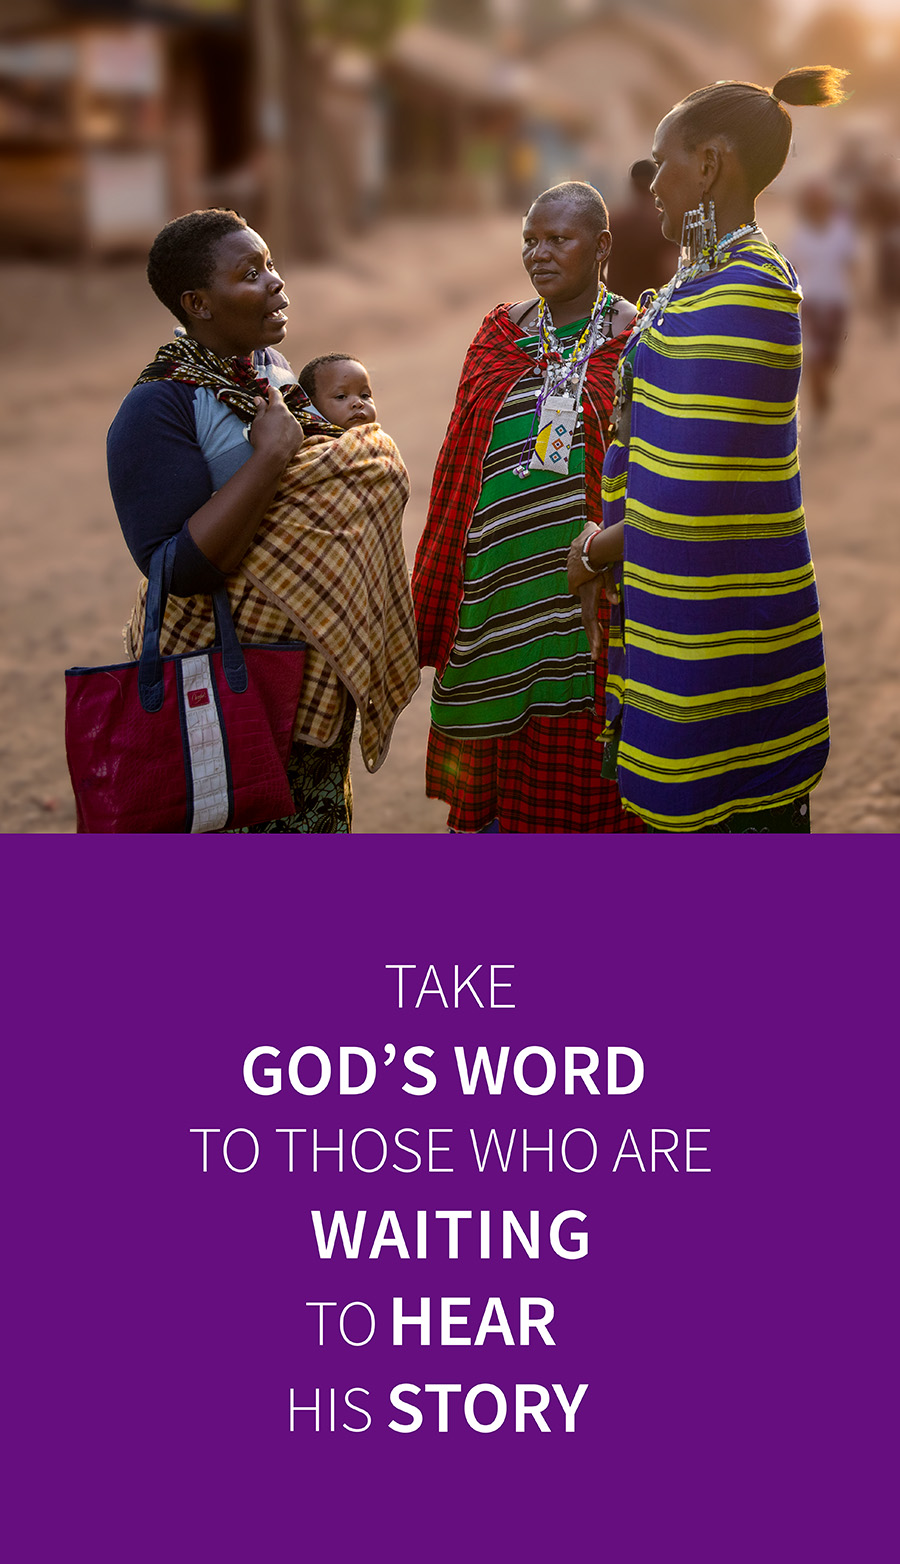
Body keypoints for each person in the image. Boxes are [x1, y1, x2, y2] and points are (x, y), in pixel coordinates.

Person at [568, 68, 846, 833]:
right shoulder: (702, 280)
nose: (652, 181)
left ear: (712, 164)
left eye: (663, 161)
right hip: (688, 617)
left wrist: (595, 551)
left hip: (726, 635)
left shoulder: (749, 289)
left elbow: (688, 492)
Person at [107, 208, 418, 833]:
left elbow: (331, 480)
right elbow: (177, 567)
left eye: (271, 265)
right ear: (197, 302)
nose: (276, 282)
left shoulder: (272, 374)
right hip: (228, 691)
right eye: (252, 273)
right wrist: (271, 455)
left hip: (309, 687)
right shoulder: (158, 405)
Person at [411, 181, 645, 833]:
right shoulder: (497, 336)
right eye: (530, 240)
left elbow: (653, 476)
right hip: (497, 597)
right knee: (494, 788)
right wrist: (431, 602)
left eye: (558, 240)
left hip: (590, 599)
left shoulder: (638, 341)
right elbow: (455, 473)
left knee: (581, 780)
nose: (539, 254)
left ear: (601, 247)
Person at [788, 180, 858, 423]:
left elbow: (851, 262)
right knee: (815, 356)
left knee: (830, 358)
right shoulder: (801, 234)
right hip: (812, 303)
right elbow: (793, 267)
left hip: (837, 302)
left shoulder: (841, 230)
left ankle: (823, 385)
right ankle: (819, 396)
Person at [605, 158, 678, 303]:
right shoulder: (665, 224)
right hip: (653, 309)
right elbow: (671, 271)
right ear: (656, 183)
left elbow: (600, 272)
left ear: (632, 184)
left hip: (619, 310)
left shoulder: (614, 222)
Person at [298, 354, 378, 430]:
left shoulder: (381, 441)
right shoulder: (312, 442)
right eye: (341, 396)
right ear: (311, 406)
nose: (358, 403)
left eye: (365, 396)